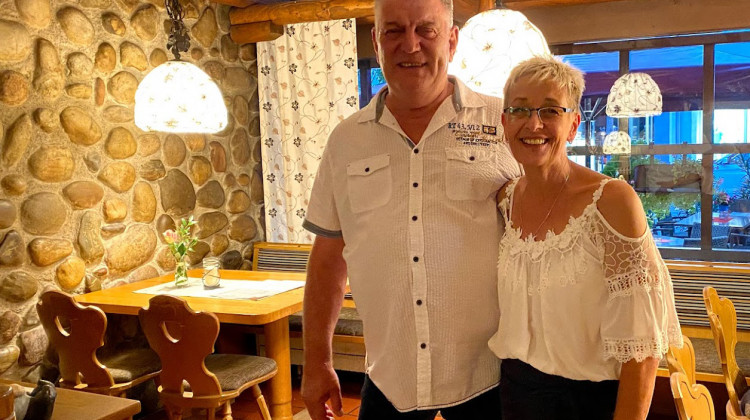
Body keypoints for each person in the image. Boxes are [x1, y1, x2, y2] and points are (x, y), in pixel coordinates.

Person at [300, 0, 521, 418]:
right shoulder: (346, 140)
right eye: (394, 30)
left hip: (489, 373)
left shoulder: (503, 124)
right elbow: (328, 258)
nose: (411, 44)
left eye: (426, 30)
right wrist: (317, 362)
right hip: (391, 375)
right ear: (376, 41)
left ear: (451, 41)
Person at [490, 55, 682, 420]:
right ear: (505, 122)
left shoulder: (611, 202)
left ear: (574, 124)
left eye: (550, 110)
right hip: (514, 398)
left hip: (588, 404)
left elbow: (642, 350)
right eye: (520, 109)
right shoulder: (505, 201)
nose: (534, 123)